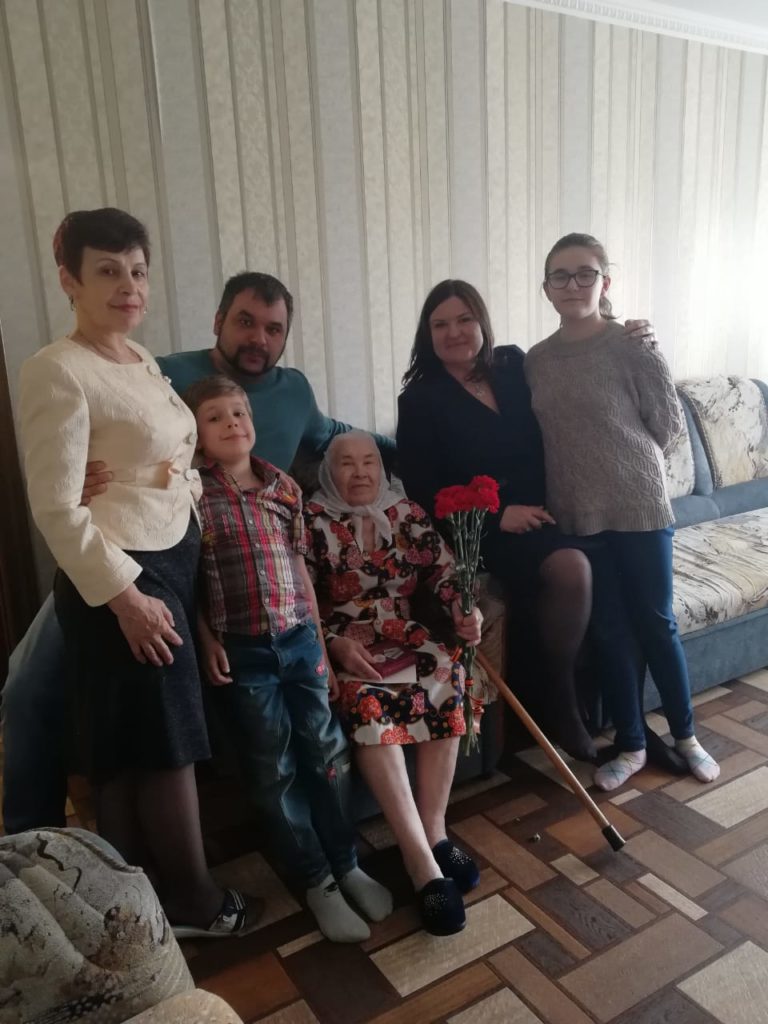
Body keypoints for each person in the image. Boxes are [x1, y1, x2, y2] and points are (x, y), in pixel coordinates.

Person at [2, 270, 394, 835]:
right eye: (245, 322)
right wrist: (77, 476)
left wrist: (418, 448)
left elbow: (335, 432)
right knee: (26, 686)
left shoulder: (295, 392)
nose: (258, 338)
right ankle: (28, 846)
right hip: (130, 552)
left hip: (224, 575)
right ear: (218, 321)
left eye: (273, 329)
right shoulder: (159, 370)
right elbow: (100, 421)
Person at [16, 208, 257, 935]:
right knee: (165, 743)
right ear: (69, 279)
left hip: (169, 553)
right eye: (108, 270)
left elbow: (165, 453)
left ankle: (130, 906)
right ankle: (195, 902)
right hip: (122, 574)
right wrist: (127, 599)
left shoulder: (141, 358)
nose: (129, 286)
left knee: (128, 746)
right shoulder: (56, 368)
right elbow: (55, 508)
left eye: (138, 271)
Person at [183, 375, 392, 942]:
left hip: (300, 640)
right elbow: (188, 582)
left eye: (239, 412)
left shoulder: (283, 487)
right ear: (196, 435)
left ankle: (346, 863)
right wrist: (205, 639)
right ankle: (317, 879)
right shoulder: (192, 493)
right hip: (242, 650)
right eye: (215, 417)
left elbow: (301, 571)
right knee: (274, 767)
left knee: (327, 753)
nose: (232, 423)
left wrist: (321, 645)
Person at [525, 232, 720, 791]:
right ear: (546, 288)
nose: (573, 284)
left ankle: (686, 736)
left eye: (585, 273)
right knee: (610, 631)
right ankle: (632, 744)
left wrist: (654, 354)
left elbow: (670, 428)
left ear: (604, 281)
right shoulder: (535, 362)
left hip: (640, 506)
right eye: (560, 275)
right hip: (577, 514)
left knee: (657, 624)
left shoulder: (632, 343)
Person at [304, 431, 482, 936]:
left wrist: (463, 607)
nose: (360, 471)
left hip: (405, 635)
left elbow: (445, 572)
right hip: (347, 645)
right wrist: (333, 644)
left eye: (369, 461)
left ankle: (435, 834)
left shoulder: (406, 514)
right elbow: (298, 597)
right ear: (328, 472)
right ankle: (419, 862)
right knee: (368, 703)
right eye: (346, 463)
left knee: (447, 674)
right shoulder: (312, 521)